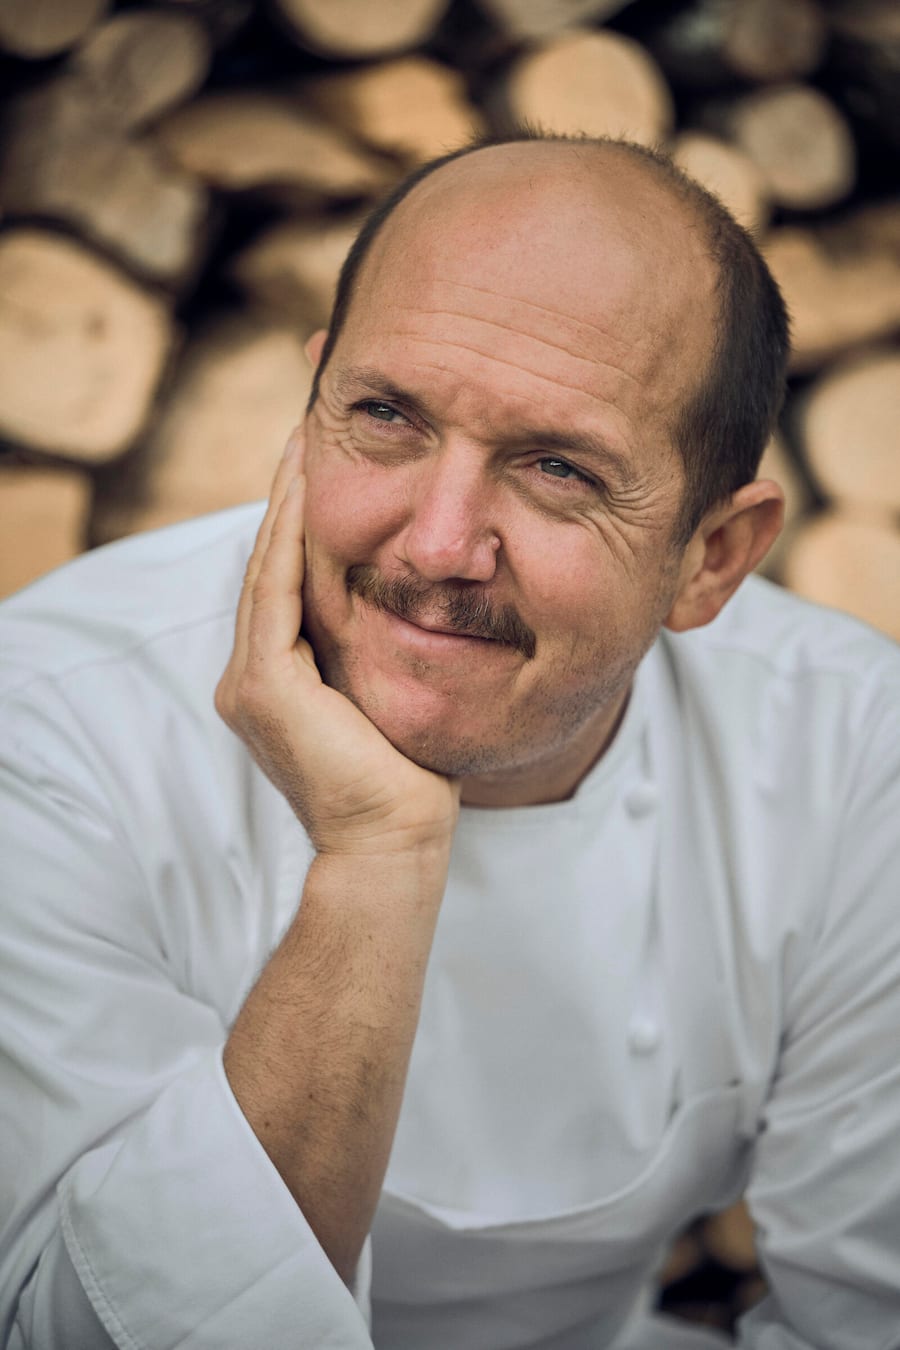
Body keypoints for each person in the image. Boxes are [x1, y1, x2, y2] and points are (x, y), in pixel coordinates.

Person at [1, 132, 899, 1350]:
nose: (436, 543)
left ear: (712, 558)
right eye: (385, 416)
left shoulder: (853, 760)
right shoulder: (49, 727)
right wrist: (376, 861)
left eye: (558, 469)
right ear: (311, 407)